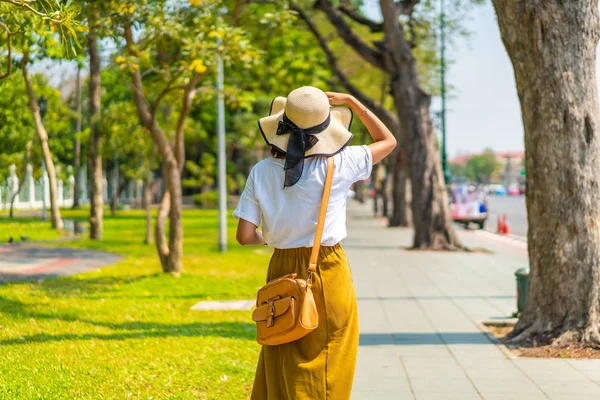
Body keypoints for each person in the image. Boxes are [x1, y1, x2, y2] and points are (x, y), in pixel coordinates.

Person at [233, 86, 396, 400]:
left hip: (281, 268)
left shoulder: (261, 171)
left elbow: (244, 235)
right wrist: (354, 103)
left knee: (281, 345)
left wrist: (274, 238)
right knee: (331, 354)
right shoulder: (342, 163)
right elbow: (388, 141)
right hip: (327, 268)